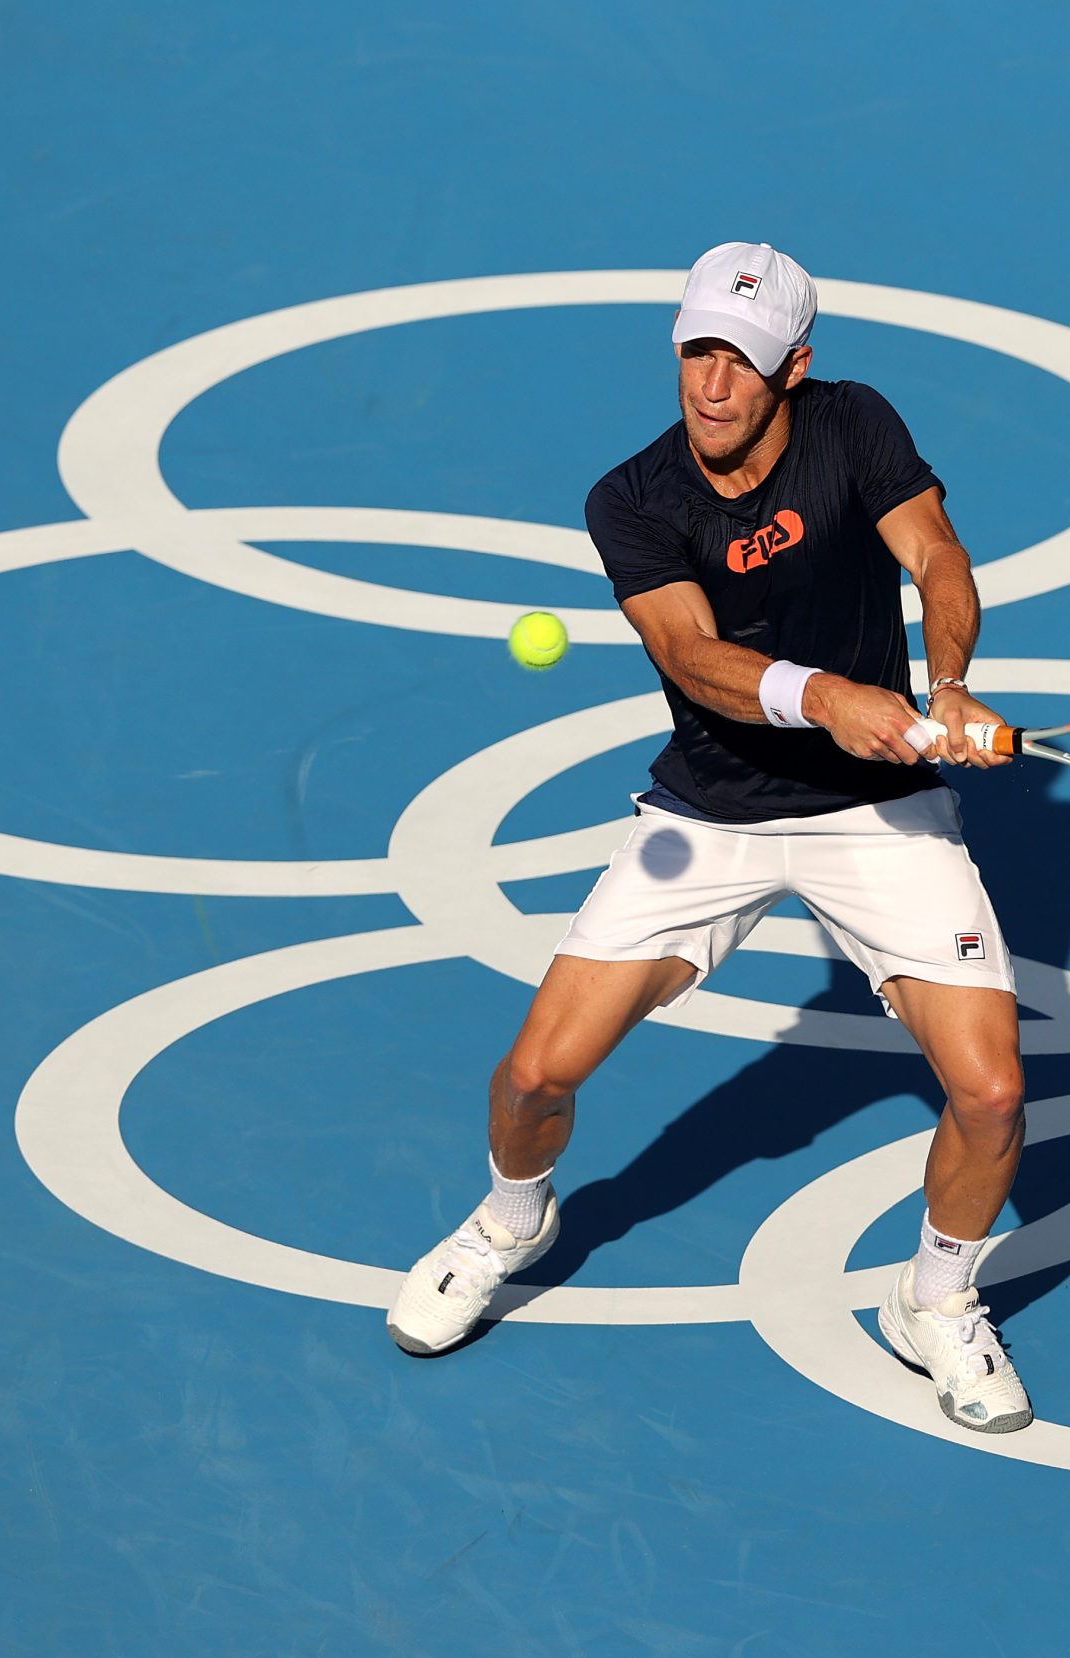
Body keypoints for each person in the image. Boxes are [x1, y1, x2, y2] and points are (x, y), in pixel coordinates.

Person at [389, 241, 1033, 1434]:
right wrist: (831, 697)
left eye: (737, 357)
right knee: (535, 1074)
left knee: (992, 1093)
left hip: (875, 815)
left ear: (793, 365)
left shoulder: (854, 427)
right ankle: (509, 1221)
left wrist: (945, 684)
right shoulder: (631, 500)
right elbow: (693, 660)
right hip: (710, 816)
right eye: (694, 349)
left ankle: (936, 1301)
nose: (710, 382)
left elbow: (935, 553)